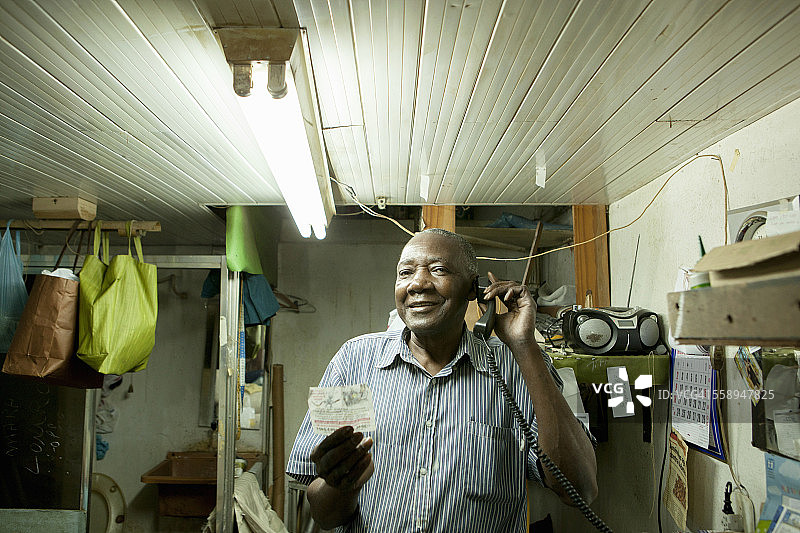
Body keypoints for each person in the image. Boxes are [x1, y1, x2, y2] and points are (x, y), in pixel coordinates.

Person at [286, 228, 598, 532]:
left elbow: (580, 489)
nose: (418, 283)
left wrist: (525, 346)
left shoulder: (517, 367)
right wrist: (342, 486)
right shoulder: (354, 361)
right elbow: (323, 515)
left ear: (473, 290)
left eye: (438, 269)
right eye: (405, 272)